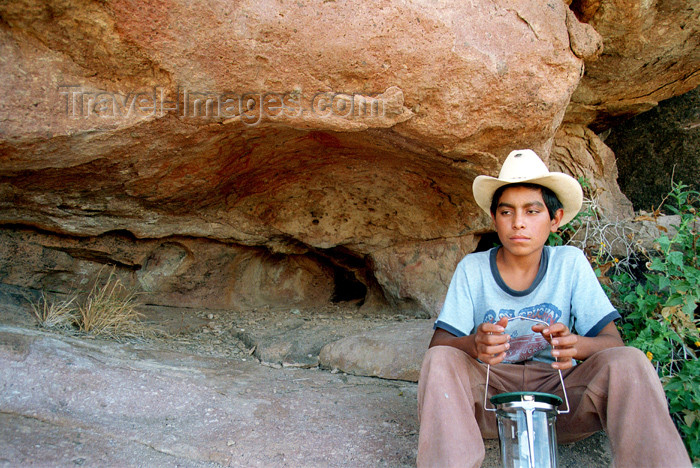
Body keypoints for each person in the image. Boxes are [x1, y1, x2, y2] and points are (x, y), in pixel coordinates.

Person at [416, 149, 691, 468]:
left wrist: (577, 344)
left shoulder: (569, 263)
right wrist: (473, 344)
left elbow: (612, 342)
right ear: (494, 218)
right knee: (441, 359)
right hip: (490, 402)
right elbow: (438, 348)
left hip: (560, 400)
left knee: (629, 360)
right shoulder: (472, 269)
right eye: (507, 212)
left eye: (532, 211)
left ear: (555, 218)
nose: (518, 223)